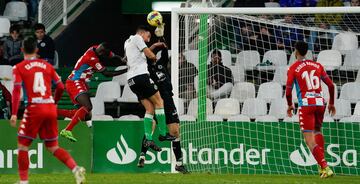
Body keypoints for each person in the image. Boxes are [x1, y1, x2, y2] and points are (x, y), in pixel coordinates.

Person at [10, 37, 85, 184]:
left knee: (23, 146)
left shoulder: (18, 67)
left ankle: (24, 182)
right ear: (37, 50)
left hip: (35, 107)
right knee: (53, 147)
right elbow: (61, 87)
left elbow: (16, 91)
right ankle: (76, 169)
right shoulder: (47, 66)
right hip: (50, 107)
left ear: (22, 49)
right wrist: (53, 103)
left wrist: (13, 113)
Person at [136, 38, 188, 173]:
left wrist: (163, 42)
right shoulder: (145, 69)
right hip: (156, 100)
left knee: (175, 132)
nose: (152, 56)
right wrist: (152, 47)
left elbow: (164, 52)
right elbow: (145, 54)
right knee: (151, 128)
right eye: (150, 55)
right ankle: (142, 156)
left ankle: (179, 164)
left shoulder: (161, 64)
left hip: (168, 100)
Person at [58, 43, 127, 142]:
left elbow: (111, 54)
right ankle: (67, 130)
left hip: (78, 82)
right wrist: (126, 69)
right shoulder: (92, 59)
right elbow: (107, 74)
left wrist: (120, 58)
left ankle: (52, 111)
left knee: (85, 115)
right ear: (102, 52)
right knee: (88, 107)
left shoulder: (94, 47)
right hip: (75, 82)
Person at [285, 41, 335, 178]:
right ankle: (321, 167)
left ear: (296, 51)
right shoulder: (318, 65)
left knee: (309, 140)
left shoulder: (293, 68)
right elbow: (331, 86)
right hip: (320, 103)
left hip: (307, 104)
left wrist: (289, 105)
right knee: (318, 131)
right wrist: (331, 103)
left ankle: (325, 167)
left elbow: (288, 91)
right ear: (306, 52)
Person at [124, 25, 175, 152]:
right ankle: (163, 133)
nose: (148, 38)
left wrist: (153, 47)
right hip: (141, 76)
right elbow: (150, 56)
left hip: (131, 81)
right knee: (159, 102)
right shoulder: (137, 38)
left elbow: (139, 53)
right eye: (148, 36)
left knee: (149, 108)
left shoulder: (128, 41)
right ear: (142, 33)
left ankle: (149, 138)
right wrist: (154, 56)